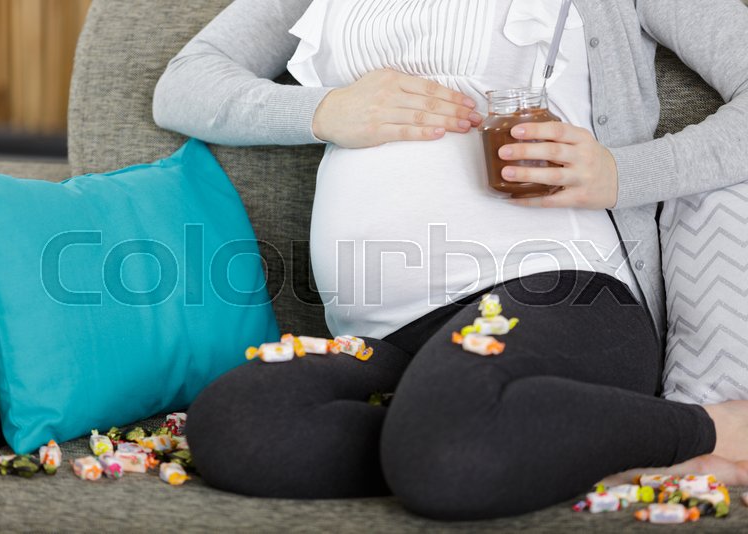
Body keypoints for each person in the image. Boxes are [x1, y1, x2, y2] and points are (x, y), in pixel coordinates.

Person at [152, 0, 748, 520]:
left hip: (561, 298)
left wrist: (624, 173)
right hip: (391, 338)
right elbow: (182, 85)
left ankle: (716, 427)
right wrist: (323, 110)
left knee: (446, 454)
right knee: (236, 424)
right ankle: (522, 439)